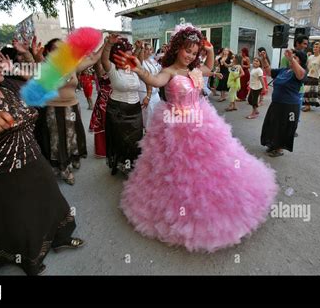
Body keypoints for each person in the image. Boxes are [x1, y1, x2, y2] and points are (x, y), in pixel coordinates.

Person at [113, 23, 278, 252]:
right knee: (177, 170)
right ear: (177, 48)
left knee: (214, 164)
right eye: (187, 51)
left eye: (194, 52)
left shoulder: (195, 69)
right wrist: (139, 69)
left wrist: (209, 50)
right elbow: (155, 81)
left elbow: (209, 69)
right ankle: (180, 212)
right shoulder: (168, 71)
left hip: (202, 120)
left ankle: (218, 205)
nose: (190, 56)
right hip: (175, 125)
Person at [0, 39, 83, 275]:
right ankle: (27, 259)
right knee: (12, 221)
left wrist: (20, 65)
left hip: (31, 159)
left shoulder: (8, 84)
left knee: (49, 204)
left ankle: (58, 239)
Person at [35, 38, 99, 185]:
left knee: (73, 135)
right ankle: (64, 169)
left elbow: (93, 59)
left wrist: (107, 44)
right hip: (54, 109)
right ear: (48, 52)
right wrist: (36, 57)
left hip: (73, 107)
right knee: (58, 140)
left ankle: (74, 158)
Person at [101, 35, 143, 175]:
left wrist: (138, 48)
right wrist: (108, 44)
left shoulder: (133, 68)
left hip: (135, 110)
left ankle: (131, 164)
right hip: (118, 111)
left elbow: (136, 57)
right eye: (126, 56)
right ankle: (123, 165)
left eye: (130, 56)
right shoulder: (112, 68)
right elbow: (104, 59)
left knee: (135, 140)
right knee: (121, 140)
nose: (129, 59)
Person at [260, 49, 307, 157]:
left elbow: (300, 75)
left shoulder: (301, 72)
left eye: (295, 58)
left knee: (284, 127)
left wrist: (291, 58)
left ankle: (279, 149)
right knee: (273, 125)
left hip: (289, 106)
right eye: (291, 57)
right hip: (277, 103)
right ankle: (273, 144)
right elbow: (268, 71)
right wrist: (263, 59)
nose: (292, 59)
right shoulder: (284, 70)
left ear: (300, 61)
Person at [136, 42, 162, 129]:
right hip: (145, 93)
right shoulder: (140, 62)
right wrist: (141, 48)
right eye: (146, 49)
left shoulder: (153, 61)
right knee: (148, 119)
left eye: (150, 49)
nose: (148, 51)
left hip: (155, 93)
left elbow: (161, 71)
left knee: (157, 117)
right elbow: (140, 58)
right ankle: (147, 137)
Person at [89, 61, 112, 158]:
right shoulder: (100, 64)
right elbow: (99, 69)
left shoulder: (115, 62)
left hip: (116, 97)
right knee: (102, 123)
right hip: (104, 99)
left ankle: (112, 148)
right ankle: (102, 150)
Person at [303, 42, 320, 111]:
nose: (315, 48)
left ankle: (307, 106)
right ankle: (307, 106)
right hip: (308, 75)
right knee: (307, 91)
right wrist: (307, 56)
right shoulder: (310, 57)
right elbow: (306, 65)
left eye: (317, 47)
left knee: (309, 92)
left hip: (315, 76)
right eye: (314, 47)